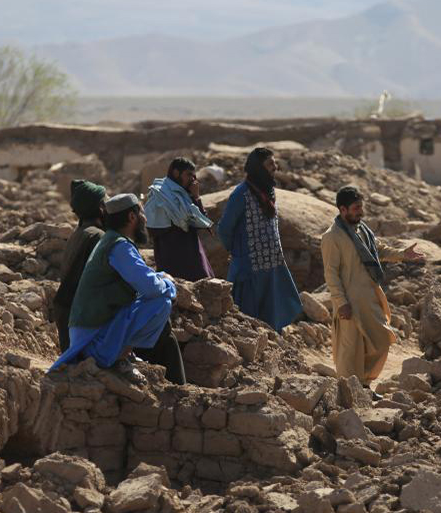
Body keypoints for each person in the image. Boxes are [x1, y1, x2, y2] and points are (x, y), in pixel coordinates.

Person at [49, 193, 186, 385]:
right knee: (161, 302)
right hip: (93, 342)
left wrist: (160, 278)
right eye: (142, 213)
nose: (145, 219)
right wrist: (170, 286)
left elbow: (143, 277)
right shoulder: (119, 246)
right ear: (132, 217)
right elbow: (150, 288)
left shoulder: (113, 241)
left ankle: (122, 353)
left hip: (93, 331)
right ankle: (120, 356)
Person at [320, 186, 424, 399]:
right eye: (356, 208)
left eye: (361, 207)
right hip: (349, 300)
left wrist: (403, 254)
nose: (361, 212)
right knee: (351, 350)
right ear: (343, 209)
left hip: (370, 297)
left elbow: (380, 250)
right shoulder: (332, 237)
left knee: (381, 340)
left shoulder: (362, 231)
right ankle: (349, 394)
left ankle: (364, 386)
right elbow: (331, 274)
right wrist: (341, 303)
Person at [216, 147, 303, 332]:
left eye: (274, 163)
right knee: (249, 322)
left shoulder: (268, 191)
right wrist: (237, 252)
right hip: (250, 269)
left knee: (273, 318)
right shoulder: (241, 194)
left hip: (272, 268)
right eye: (270, 163)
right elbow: (224, 229)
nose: (275, 167)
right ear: (258, 168)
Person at [53, 180, 106, 352]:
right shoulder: (97, 237)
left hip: (68, 320)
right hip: (81, 325)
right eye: (105, 203)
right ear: (100, 208)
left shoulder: (80, 233)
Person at [143, 157, 216, 281]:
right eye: (189, 175)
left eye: (194, 176)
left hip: (191, 254)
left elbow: (202, 222)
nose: (193, 180)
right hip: (173, 257)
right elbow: (153, 229)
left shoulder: (183, 194)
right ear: (176, 173)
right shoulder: (160, 195)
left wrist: (196, 198)